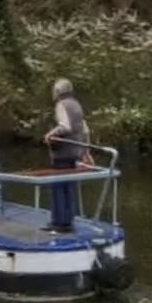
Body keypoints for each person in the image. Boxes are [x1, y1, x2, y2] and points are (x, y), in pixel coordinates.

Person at [42, 78, 89, 233]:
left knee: (58, 187)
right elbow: (85, 129)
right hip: (75, 151)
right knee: (69, 187)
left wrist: (49, 135)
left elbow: (65, 126)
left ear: (57, 91)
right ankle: (68, 222)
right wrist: (85, 151)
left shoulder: (61, 104)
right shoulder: (76, 104)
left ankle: (59, 223)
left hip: (62, 152)